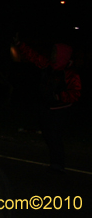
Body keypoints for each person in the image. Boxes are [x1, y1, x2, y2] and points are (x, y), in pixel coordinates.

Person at [12, 36, 81, 172]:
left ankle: (58, 164)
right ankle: (53, 161)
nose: (53, 55)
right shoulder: (49, 66)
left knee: (55, 136)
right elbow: (34, 57)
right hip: (46, 107)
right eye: (53, 52)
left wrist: (59, 96)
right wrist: (20, 44)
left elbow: (76, 94)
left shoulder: (70, 74)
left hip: (60, 110)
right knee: (48, 134)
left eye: (55, 52)